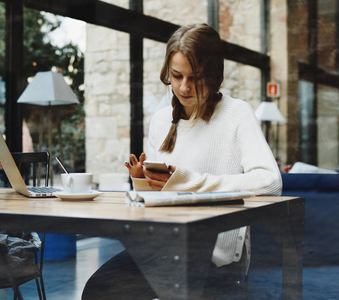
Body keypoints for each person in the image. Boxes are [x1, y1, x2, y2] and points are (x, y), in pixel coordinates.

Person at [82, 23, 282, 299]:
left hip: (214, 255)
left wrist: (187, 181)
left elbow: (270, 182)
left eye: (195, 77)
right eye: (177, 76)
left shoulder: (236, 114)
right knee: (98, 291)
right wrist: (143, 181)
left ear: (213, 76)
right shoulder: (161, 121)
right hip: (161, 245)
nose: (184, 87)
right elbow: (157, 202)